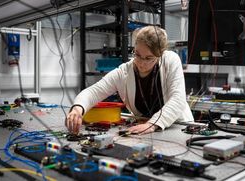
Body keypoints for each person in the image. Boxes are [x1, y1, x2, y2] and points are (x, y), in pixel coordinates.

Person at [66, 26, 194, 135]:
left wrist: (152, 124)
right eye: (137, 55)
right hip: (145, 130)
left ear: (159, 55)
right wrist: (78, 108)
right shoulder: (124, 72)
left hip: (178, 127)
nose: (141, 63)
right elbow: (93, 92)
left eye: (149, 58)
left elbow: (178, 99)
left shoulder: (170, 60)